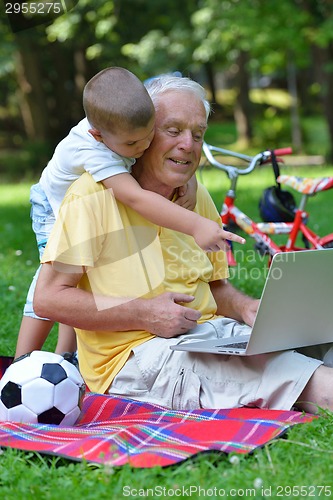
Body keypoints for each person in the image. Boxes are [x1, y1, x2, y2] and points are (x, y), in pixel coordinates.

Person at [33, 74, 333, 414]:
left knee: (321, 340)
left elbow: (213, 287)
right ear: (143, 135)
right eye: (173, 131)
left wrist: (246, 308)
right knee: (298, 377)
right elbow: (48, 298)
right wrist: (143, 313)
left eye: (198, 134)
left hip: (212, 336)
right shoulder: (91, 196)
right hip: (136, 357)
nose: (188, 145)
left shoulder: (195, 195)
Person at [15, 67, 244, 360]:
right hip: (52, 203)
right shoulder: (97, 151)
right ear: (98, 134)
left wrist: (188, 176)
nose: (143, 148)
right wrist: (195, 224)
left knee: (85, 275)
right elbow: (135, 197)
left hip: (82, 204)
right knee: (52, 281)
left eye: (149, 136)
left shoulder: (123, 123)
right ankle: (21, 362)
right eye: (134, 145)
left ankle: (67, 355)